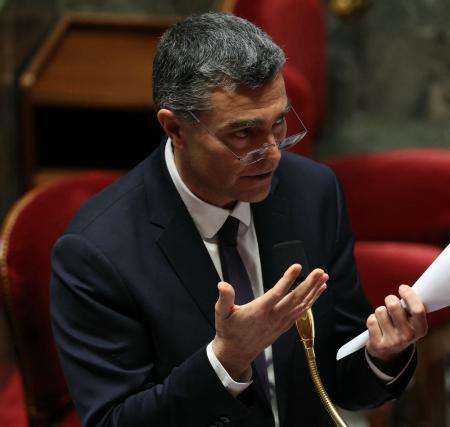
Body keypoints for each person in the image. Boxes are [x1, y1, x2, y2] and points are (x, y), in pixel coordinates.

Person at [50, 12, 428, 427]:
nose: (273, 153)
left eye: (279, 122)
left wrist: (382, 353)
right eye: (243, 134)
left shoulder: (312, 193)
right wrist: (226, 361)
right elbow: (113, 421)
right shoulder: (98, 251)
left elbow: (339, 380)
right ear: (175, 128)